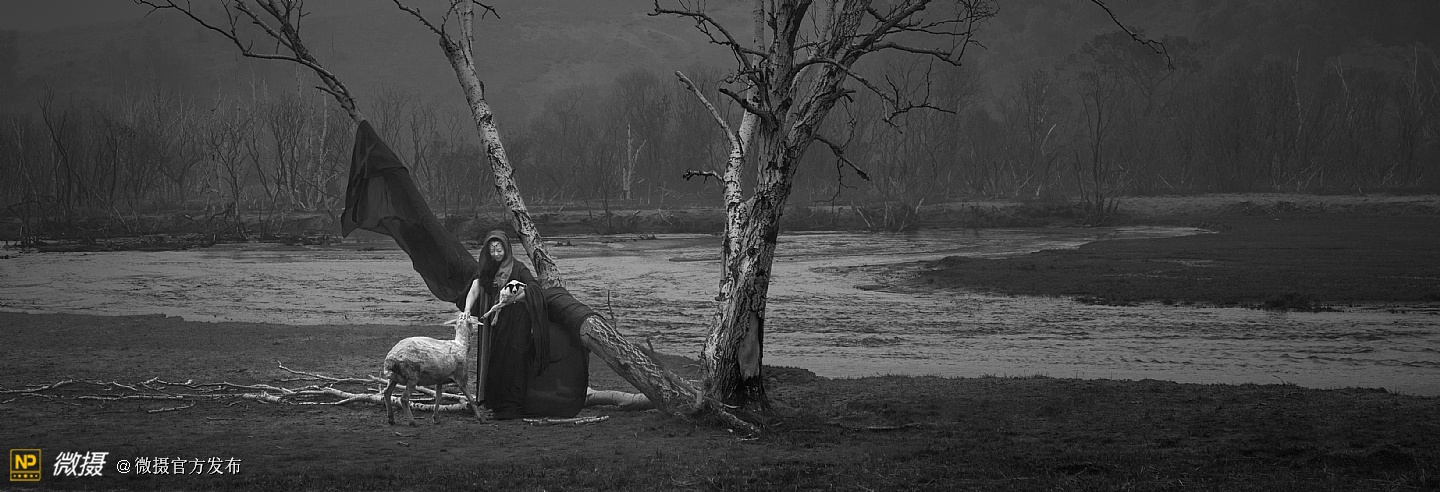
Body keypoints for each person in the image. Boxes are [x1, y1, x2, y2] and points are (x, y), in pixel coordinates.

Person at [462, 230, 588, 419]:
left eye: (499, 250)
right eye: (492, 250)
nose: (496, 254)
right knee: (495, 361)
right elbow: (475, 288)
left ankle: (512, 407)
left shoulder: (518, 268)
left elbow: (534, 288)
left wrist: (514, 299)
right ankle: (496, 404)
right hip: (494, 325)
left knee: (513, 361)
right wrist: (466, 308)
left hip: (516, 323)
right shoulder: (487, 269)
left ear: (506, 249)